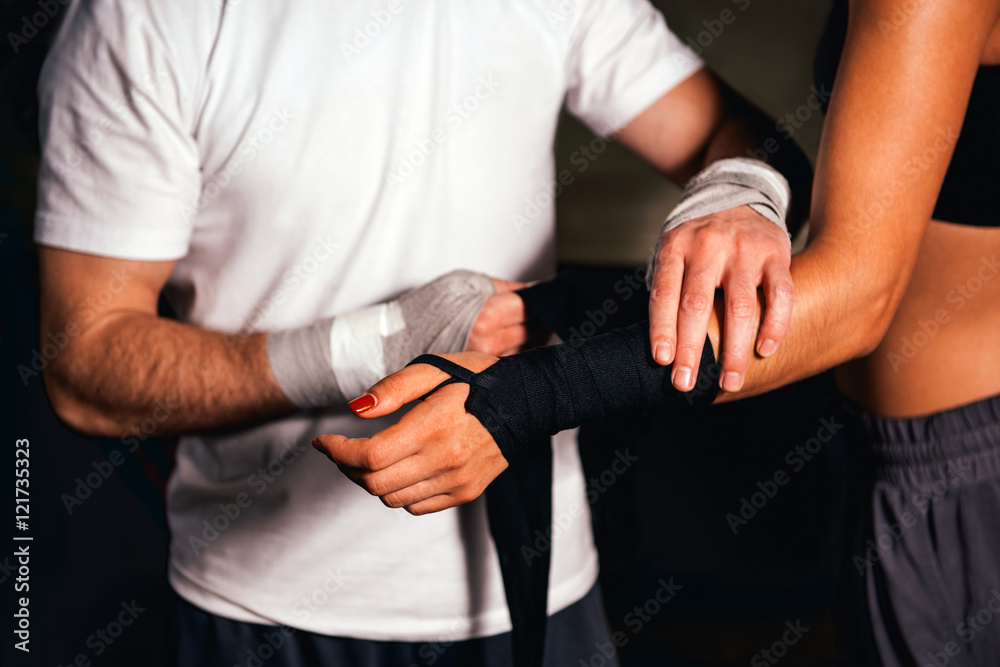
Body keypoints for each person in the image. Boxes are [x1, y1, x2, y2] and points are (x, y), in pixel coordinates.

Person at [34, 1, 810, 665]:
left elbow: (740, 136)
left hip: (539, 588)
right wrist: (376, 344)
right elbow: (86, 362)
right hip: (267, 608)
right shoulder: (139, 19)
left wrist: (739, 196)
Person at [314, 0, 1000, 664]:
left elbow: (858, 299)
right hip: (912, 446)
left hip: (962, 471)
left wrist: (525, 398)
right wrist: (564, 312)